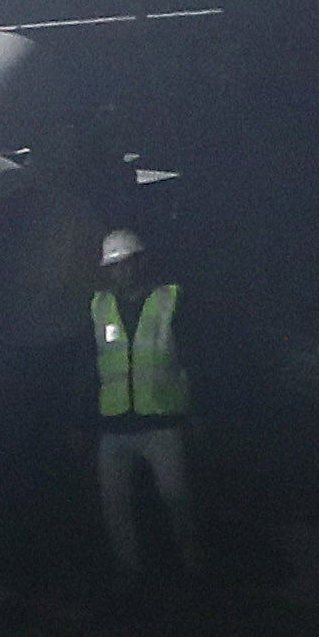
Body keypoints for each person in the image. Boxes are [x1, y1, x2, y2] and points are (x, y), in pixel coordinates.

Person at [90, 227, 200, 575]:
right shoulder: (99, 306)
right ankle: (129, 572)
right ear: (108, 270)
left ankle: (192, 562)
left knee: (176, 497)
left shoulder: (170, 299)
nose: (124, 271)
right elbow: (87, 366)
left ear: (143, 263)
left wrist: (198, 415)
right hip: (115, 425)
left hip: (161, 421)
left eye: (129, 263)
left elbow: (194, 359)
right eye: (116, 265)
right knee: (114, 507)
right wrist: (80, 422)